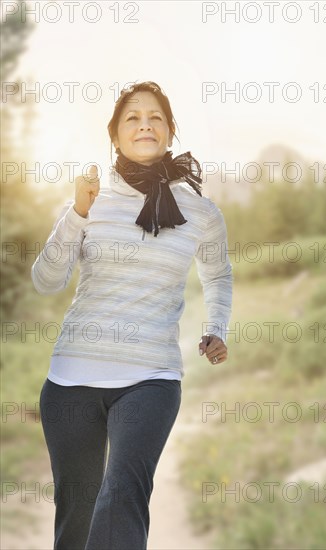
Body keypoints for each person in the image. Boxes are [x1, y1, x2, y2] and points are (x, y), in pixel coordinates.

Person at [32, 81, 233, 550]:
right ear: (115, 135)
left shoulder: (201, 212)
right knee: (76, 523)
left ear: (169, 131)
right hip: (71, 381)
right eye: (133, 118)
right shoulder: (89, 202)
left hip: (151, 377)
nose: (145, 124)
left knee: (122, 496)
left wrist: (215, 329)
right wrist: (77, 213)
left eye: (155, 117)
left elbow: (218, 275)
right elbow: (46, 280)